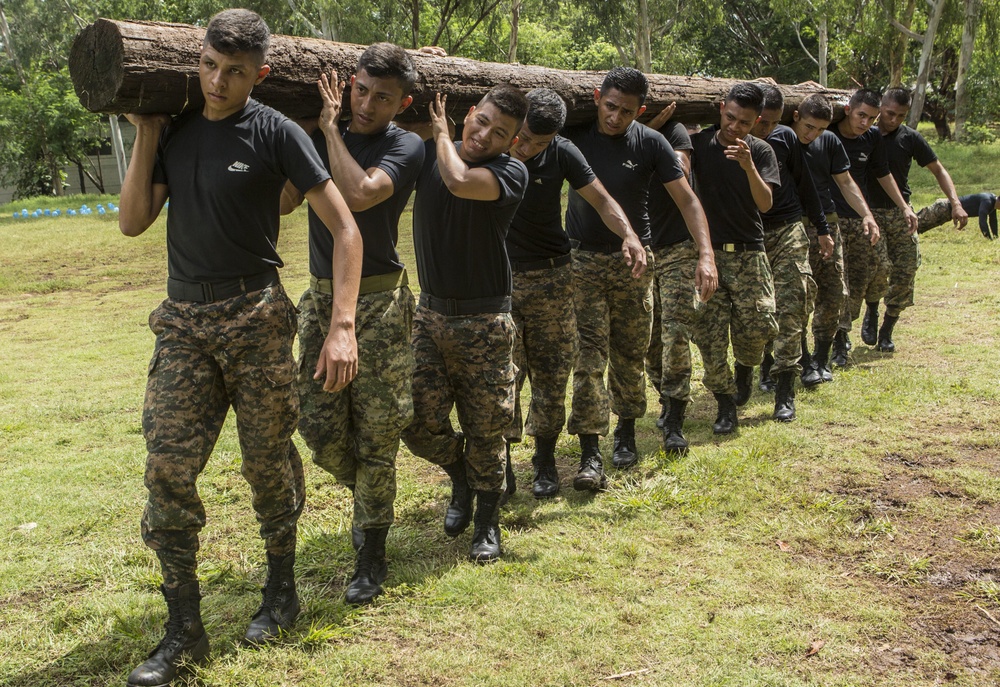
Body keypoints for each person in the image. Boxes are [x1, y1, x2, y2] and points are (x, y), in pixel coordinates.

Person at [118, 9, 362, 687]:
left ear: (262, 73)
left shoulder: (278, 133)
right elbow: (135, 221)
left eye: (233, 72)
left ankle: (280, 589)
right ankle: (183, 628)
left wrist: (342, 325)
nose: (217, 82)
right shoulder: (178, 132)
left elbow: (346, 230)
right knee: (167, 466)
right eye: (208, 66)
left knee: (266, 462)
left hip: (256, 317)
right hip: (183, 322)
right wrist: (145, 134)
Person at [280, 43, 423, 605]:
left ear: (401, 102)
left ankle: (370, 551)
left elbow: (361, 196)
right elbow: (289, 201)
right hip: (320, 301)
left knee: (378, 433)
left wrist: (329, 130)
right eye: (360, 90)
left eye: (381, 97)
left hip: (381, 305)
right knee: (317, 427)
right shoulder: (317, 138)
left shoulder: (405, 144)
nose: (365, 103)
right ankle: (371, 500)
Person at [563, 67, 715, 485]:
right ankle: (590, 453)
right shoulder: (573, 136)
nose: (615, 117)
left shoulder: (651, 142)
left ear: (641, 111)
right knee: (589, 357)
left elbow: (688, 200)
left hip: (634, 263)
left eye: (626, 112)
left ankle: (626, 434)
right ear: (596, 97)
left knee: (630, 352)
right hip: (582, 260)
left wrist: (706, 255)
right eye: (610, 106)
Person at [401, 85, 529, 563]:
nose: (485, 136)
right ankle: (459, 475)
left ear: (512, 141)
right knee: (415, 420)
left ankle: (487, 525)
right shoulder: (433, 152)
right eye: (482, 122)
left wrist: (441, 133)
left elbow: (457, 180)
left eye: (500, 133)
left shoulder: (510, 171)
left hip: (486, 320)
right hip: (429, 314)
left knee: (487, 428)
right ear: (470, 112)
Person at [505, 88, 645, 498]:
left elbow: (602, 200)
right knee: (504, 376)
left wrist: (630, 235)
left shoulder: (563, 152)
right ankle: (502, 463)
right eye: (524, 136)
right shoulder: (494, 142)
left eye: (538, 143)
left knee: (551, 375)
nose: (526, 148)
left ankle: (544, 462)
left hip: (552, 277)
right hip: (499, 279)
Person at [689, 82, 780, 435]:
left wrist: (748, 167)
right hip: (708, 256)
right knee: (710, 337)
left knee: (757, 328)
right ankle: (726, 404)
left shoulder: (760, 151)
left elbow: (765, 203)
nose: (735, 127)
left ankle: (745, 368)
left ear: (756, 121)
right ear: (720, 108)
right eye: (730, 118)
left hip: (748, 254)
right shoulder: (697, 147)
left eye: (744, 122)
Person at [861, 87, 969, 352]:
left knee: (907, 269)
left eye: (901, 115)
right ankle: (872, 310)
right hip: (868, 212)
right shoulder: (862, 134)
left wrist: (955, 202)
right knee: (879, 267)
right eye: (889, 113)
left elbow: (938, 169)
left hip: (901, 212)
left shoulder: (909, 138)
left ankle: (887, 329)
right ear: (881, 106)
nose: (894, 119)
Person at [640, 102, 716, 453]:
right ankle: (663, 393)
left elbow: (681, 170)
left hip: (675, 247)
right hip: (637, 250)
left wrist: (650, 134)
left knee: (675, 331)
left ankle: (674, 417)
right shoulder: (610, 134)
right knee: (648, 338)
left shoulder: (673, 130)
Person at [788, 94, 879, 385]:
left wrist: (866, 214)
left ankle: (821, 358)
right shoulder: (781, 140)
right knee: (796, 297)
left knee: (833, 293)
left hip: (828, 226)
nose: (811, 134)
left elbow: (846, 181)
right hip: (791, 228)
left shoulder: (829, 142)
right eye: (808, 126)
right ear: (796, 117)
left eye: (819, 129)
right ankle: (800, 360)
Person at [749, 86, 827, 422]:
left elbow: (804, 183)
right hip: (747, 233)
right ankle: (760, 368)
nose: (766, 129)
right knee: (756, 310)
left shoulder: (785, 139)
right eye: (761, 122)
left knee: (793, 303)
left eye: (772, 122)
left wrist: (822, 229)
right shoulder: (722, 141)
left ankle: (785, 391)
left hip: (787, 226)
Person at [829, 88, 917, 366]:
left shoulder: (872, 138)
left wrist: (904, 206)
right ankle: (836, 342)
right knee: (837, 285)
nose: (865, 123)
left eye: (871, 118)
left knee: (870, 277)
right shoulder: (827, 133)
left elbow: (883, 173)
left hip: (859, 218)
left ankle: (859, 323)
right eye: (861, 116)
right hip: (829, 219)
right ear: (848, 110)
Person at [918, 192, 997, 237]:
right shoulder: (987, 201)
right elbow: (982, 221)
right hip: (944, 207)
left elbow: (993, 221)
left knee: (919, 227)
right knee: (917, 223)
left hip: (949, 213)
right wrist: (988, 238)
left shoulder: (993, 204)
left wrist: (995, 236)